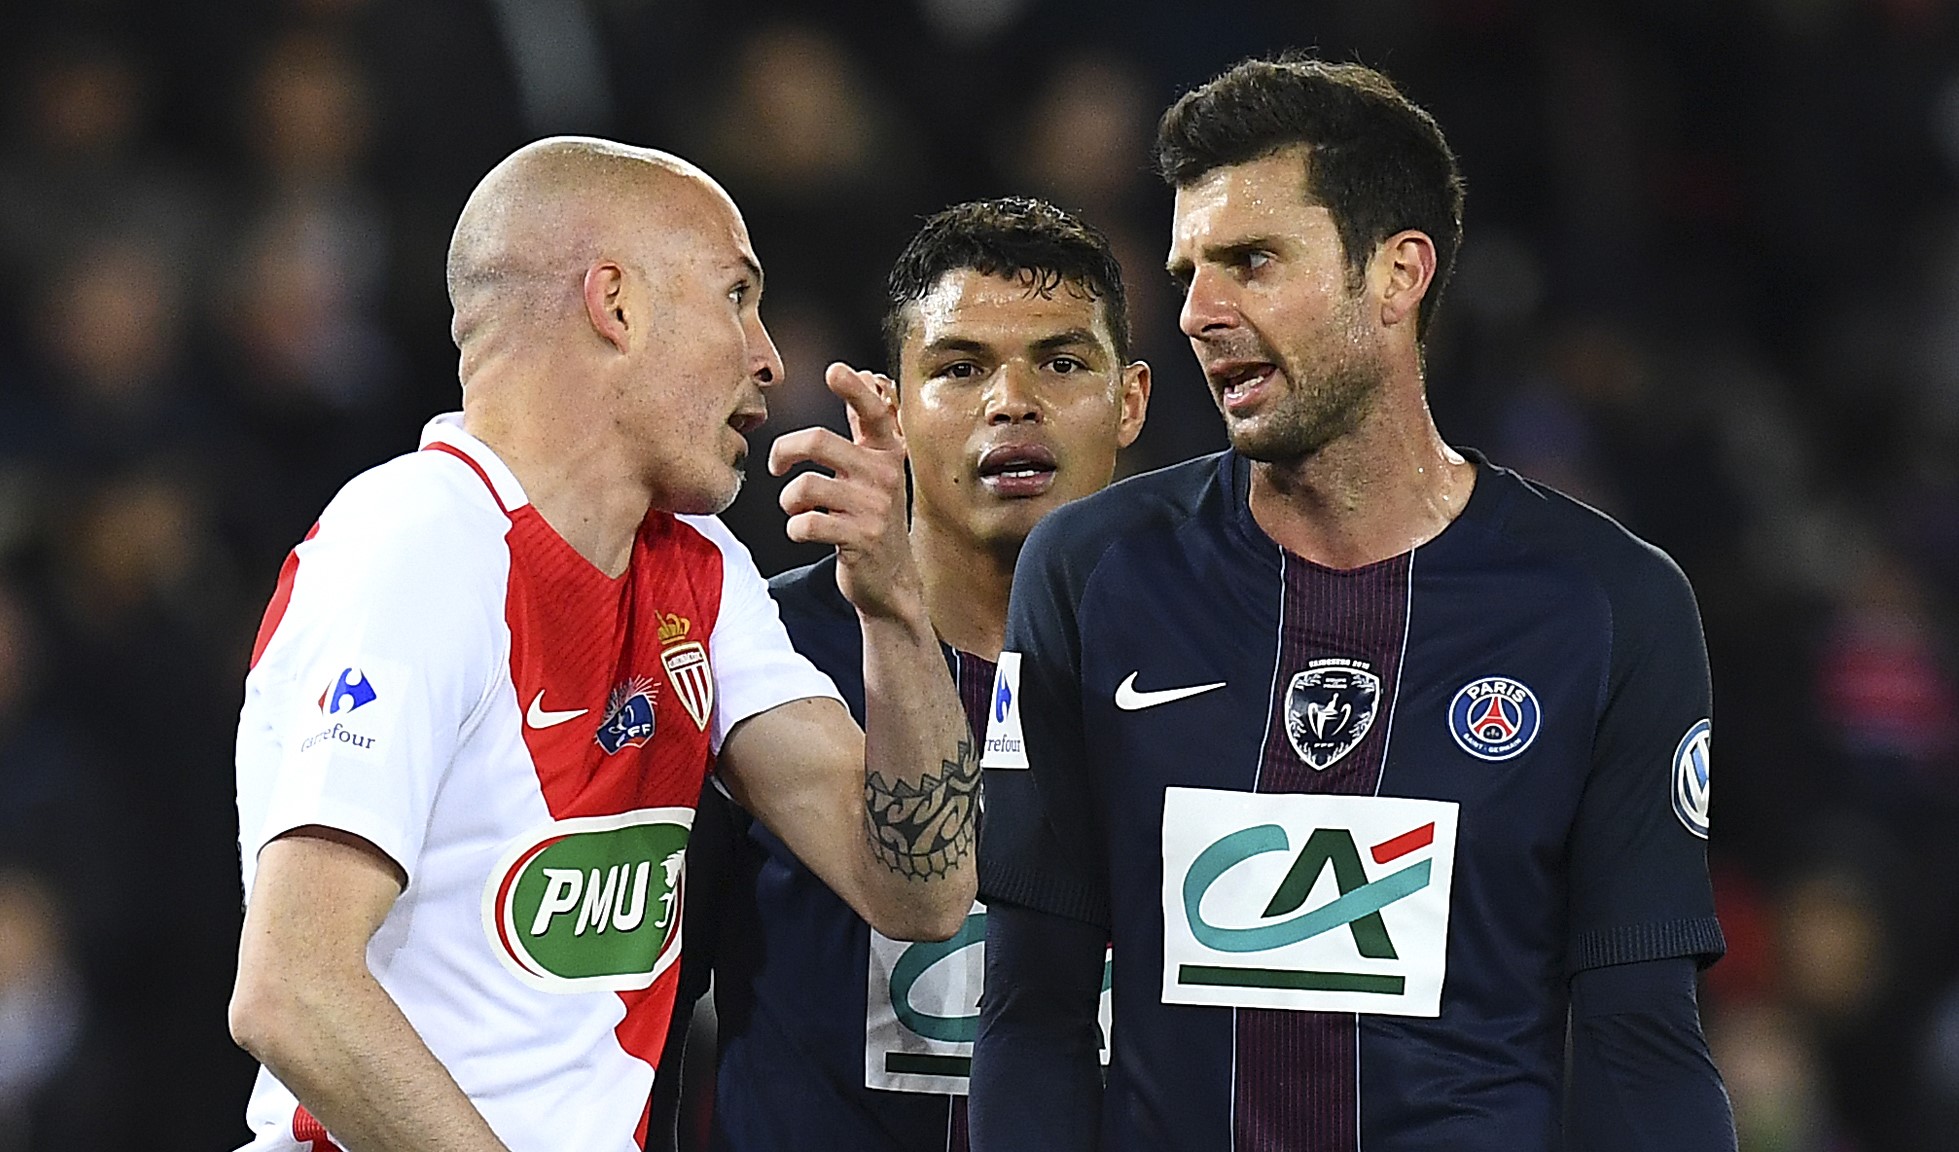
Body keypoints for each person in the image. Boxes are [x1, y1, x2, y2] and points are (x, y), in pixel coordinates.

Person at [970, 56, 1735, 1152]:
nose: (1196, 312)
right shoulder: (1093, 577)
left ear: (1397, 274)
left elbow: (1639, 1042)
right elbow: (1033, 1014)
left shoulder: (1608, 607)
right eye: (1189, 270)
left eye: (1252, 261)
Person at [226, 137, 979, 1152]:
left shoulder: (699, 574)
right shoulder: (418, 543)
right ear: (616, 304)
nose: (769, 358)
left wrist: (894, 611)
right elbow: (293, 992)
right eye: (735, 296)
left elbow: (918, 890)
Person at [656, 198, 1148, 1152]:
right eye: (960, 369)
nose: (1013, 402)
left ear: (1129, 400)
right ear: (897, 401)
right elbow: (641, 1016)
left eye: (1061, 362)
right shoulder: (759, 654)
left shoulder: (1211, 666)